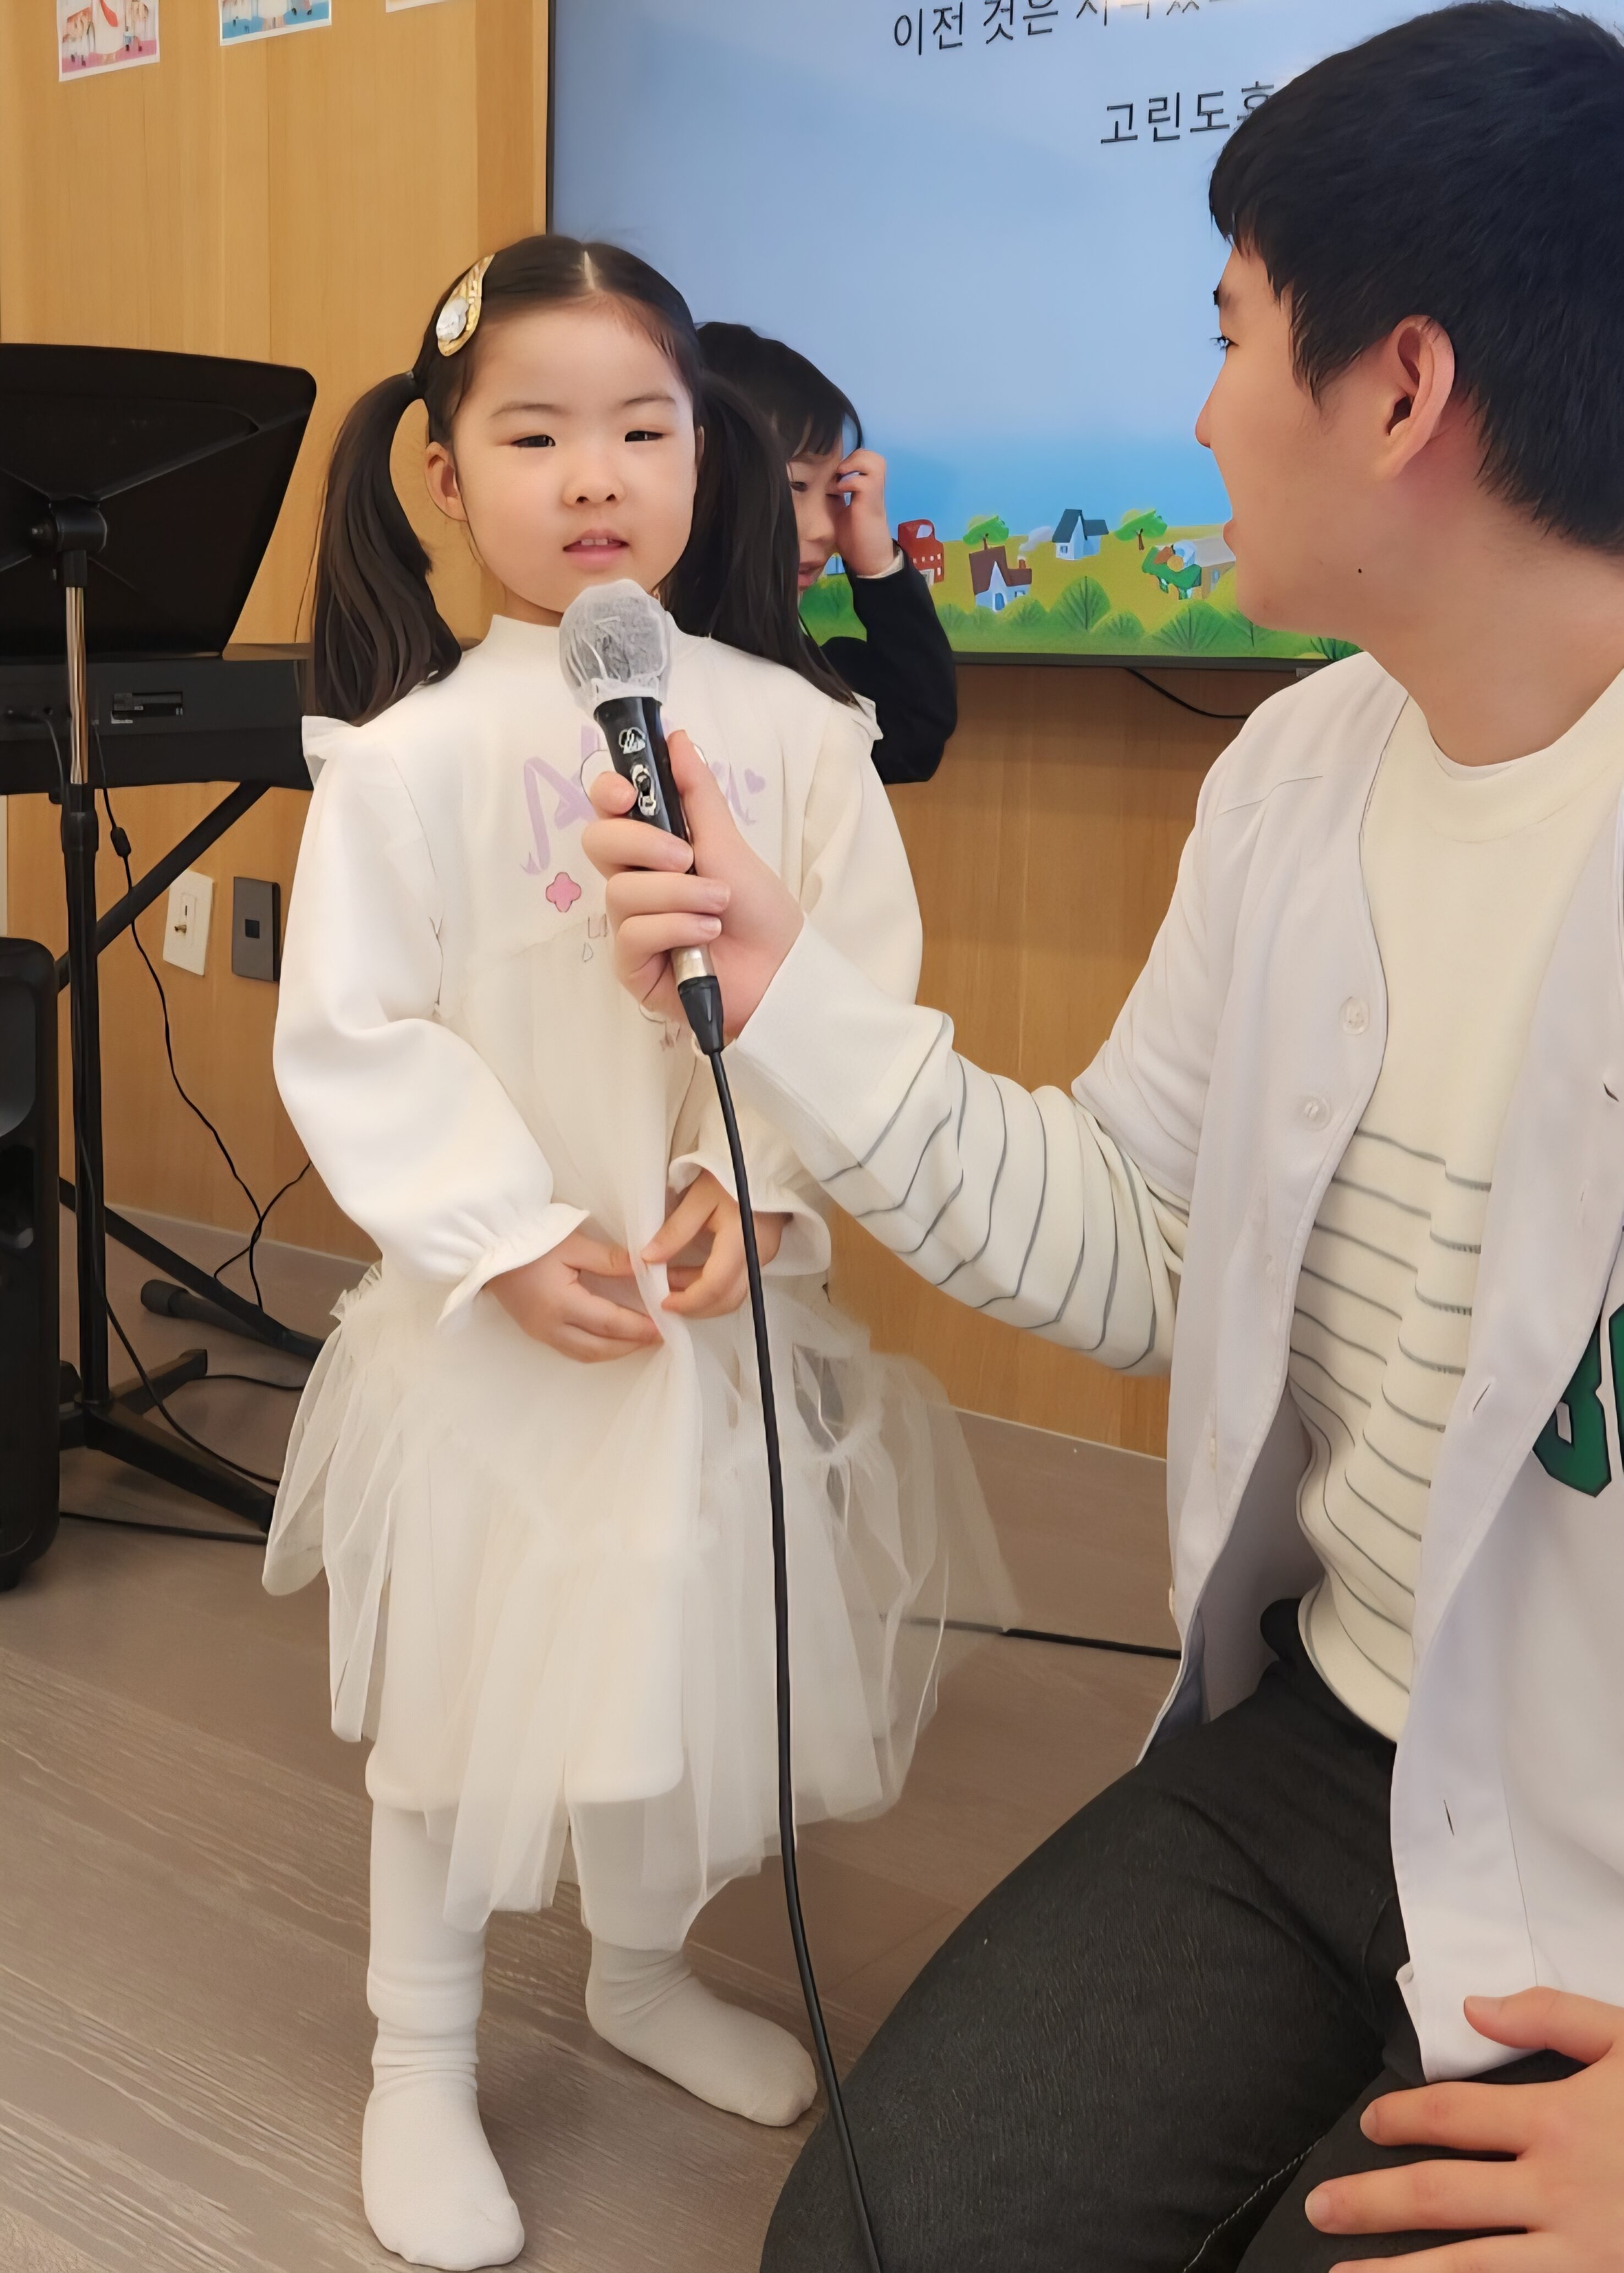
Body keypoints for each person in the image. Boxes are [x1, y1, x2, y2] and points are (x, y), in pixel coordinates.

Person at [584, 7, 1624, 2265]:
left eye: (1230, 332)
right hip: (1332, 1746)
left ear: (1403, 390)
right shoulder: (1290, 782)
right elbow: (1140, 1239)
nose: (1204, 410)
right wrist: (789, 997)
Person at [260, 235, 1003, 2273]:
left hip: (707, 1325)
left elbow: (857, 994)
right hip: (499, 1335)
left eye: (641, 429)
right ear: (441, 473)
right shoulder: (405, 758)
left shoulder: (800, 733)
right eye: (534, 434)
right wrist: (499, 1231)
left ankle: (641, 1966)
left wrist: (762, 1185)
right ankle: (418, 2055)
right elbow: (357, 1028)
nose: (593, 473)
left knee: (680, 1658)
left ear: (707, 455)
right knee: (461, 1699)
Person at [698, 322, 957, 785]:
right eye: (796, 485)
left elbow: (914, 733)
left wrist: (878, 567)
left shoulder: (805, 675)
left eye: (837, 493)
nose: (825, 530)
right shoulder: (636, 672)